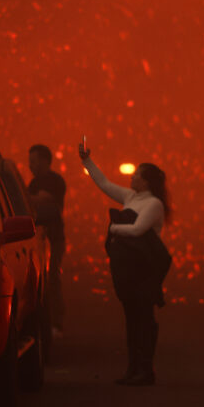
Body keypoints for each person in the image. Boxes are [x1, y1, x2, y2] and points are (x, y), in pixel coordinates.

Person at [79, 141, 171, 386]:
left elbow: (139, 230)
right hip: (128, 269)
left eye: (137, 174)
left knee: (143, 318)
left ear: (146, 181)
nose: (132, 177)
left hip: (144, 269)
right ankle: (133, 367)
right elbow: (104, 184)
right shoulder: (131, 196)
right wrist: (87, 161)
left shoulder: (153, 204)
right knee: (132, 318)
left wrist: (114, 228)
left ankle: (145, 368)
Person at [27, 144, 67, 336]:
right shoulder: (33, 184)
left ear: (45, 160)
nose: (30, 165)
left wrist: (29, 198)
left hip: (55, 237)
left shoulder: (56, 181)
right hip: (38, 238)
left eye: (33, 161)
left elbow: (43, 199)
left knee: (53, 279)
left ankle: (56, 323)